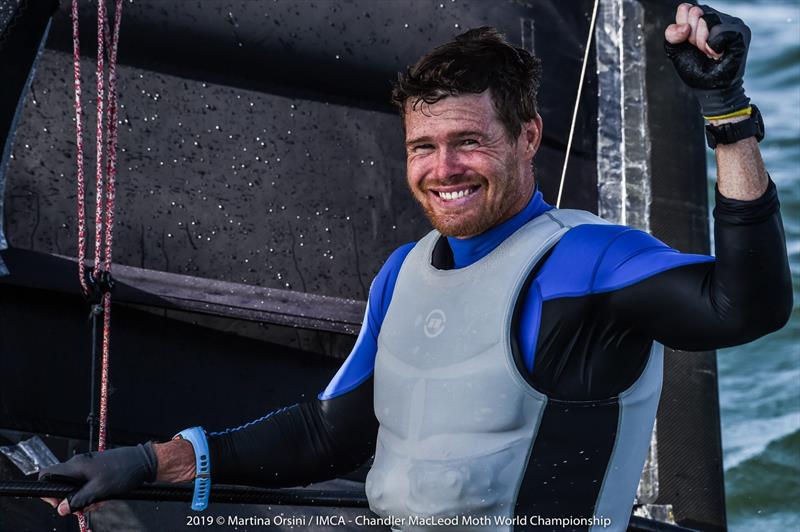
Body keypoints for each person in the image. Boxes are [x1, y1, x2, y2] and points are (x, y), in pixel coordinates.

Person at [41, 3, 791, 531]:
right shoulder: (404, 272)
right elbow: (326, 434)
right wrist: (144, 461)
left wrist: (725, 117)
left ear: (528, 137)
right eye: (423, 147)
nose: (444, 168)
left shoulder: (588, 259)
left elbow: (745, 306)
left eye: (467, 141)